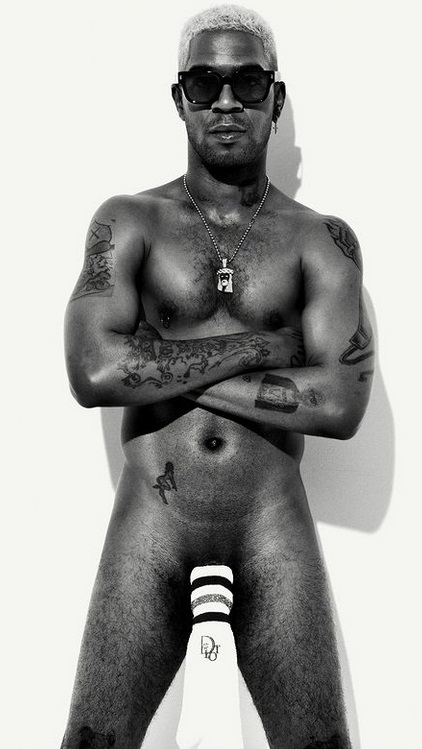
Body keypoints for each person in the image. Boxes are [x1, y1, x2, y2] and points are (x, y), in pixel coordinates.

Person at [62, 5, 374, 749]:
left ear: (277, 97)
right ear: (180, 99)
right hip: (153, 521)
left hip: (271, 523)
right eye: (204, 83)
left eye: (247, 81)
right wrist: (261, 346)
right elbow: (94, 369)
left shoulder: (321, 239)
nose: (226, 101)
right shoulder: (129, 221)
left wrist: (158, 365)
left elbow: (341, 403)